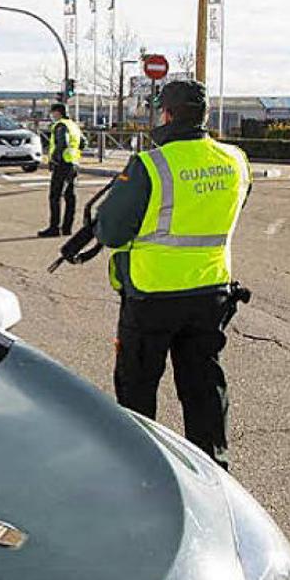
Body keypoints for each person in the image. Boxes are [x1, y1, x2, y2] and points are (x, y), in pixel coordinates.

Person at [93, 79, 252, 470]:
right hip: (211, 291)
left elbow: (111, 232)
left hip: (152, 295)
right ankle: (214, 469)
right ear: (205, 116)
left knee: (138, 388)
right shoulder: (235, 160)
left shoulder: (152, 164)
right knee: (204, 387)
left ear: (165, 114)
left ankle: (140, 469)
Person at [38, 102, 84, 237]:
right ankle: (67, 228)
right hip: (74, 163)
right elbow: (83, 142)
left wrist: (54, 159)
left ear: (58, 112)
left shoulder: (60, 125)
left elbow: (61, 143)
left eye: (52, 112)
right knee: (70, 197)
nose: (51, 115)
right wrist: (73, 153)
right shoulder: (74, 125)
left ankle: (54, 227)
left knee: (55, 196)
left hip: (62, 164)